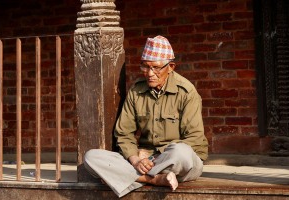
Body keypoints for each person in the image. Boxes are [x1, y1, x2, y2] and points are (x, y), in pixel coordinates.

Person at [84, 35, 208, 197]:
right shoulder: (136, 91)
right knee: (91, 158)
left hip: (176, 161)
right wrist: (135, 159)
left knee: (181, 153)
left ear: (170, 67)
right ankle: (155, 179)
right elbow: (123, 133)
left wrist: (155, 155)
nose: (149, 73)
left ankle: (126, 177)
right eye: (145, 67)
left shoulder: (186, 92)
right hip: (145, 161)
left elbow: (194, 139)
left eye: (156, 67)